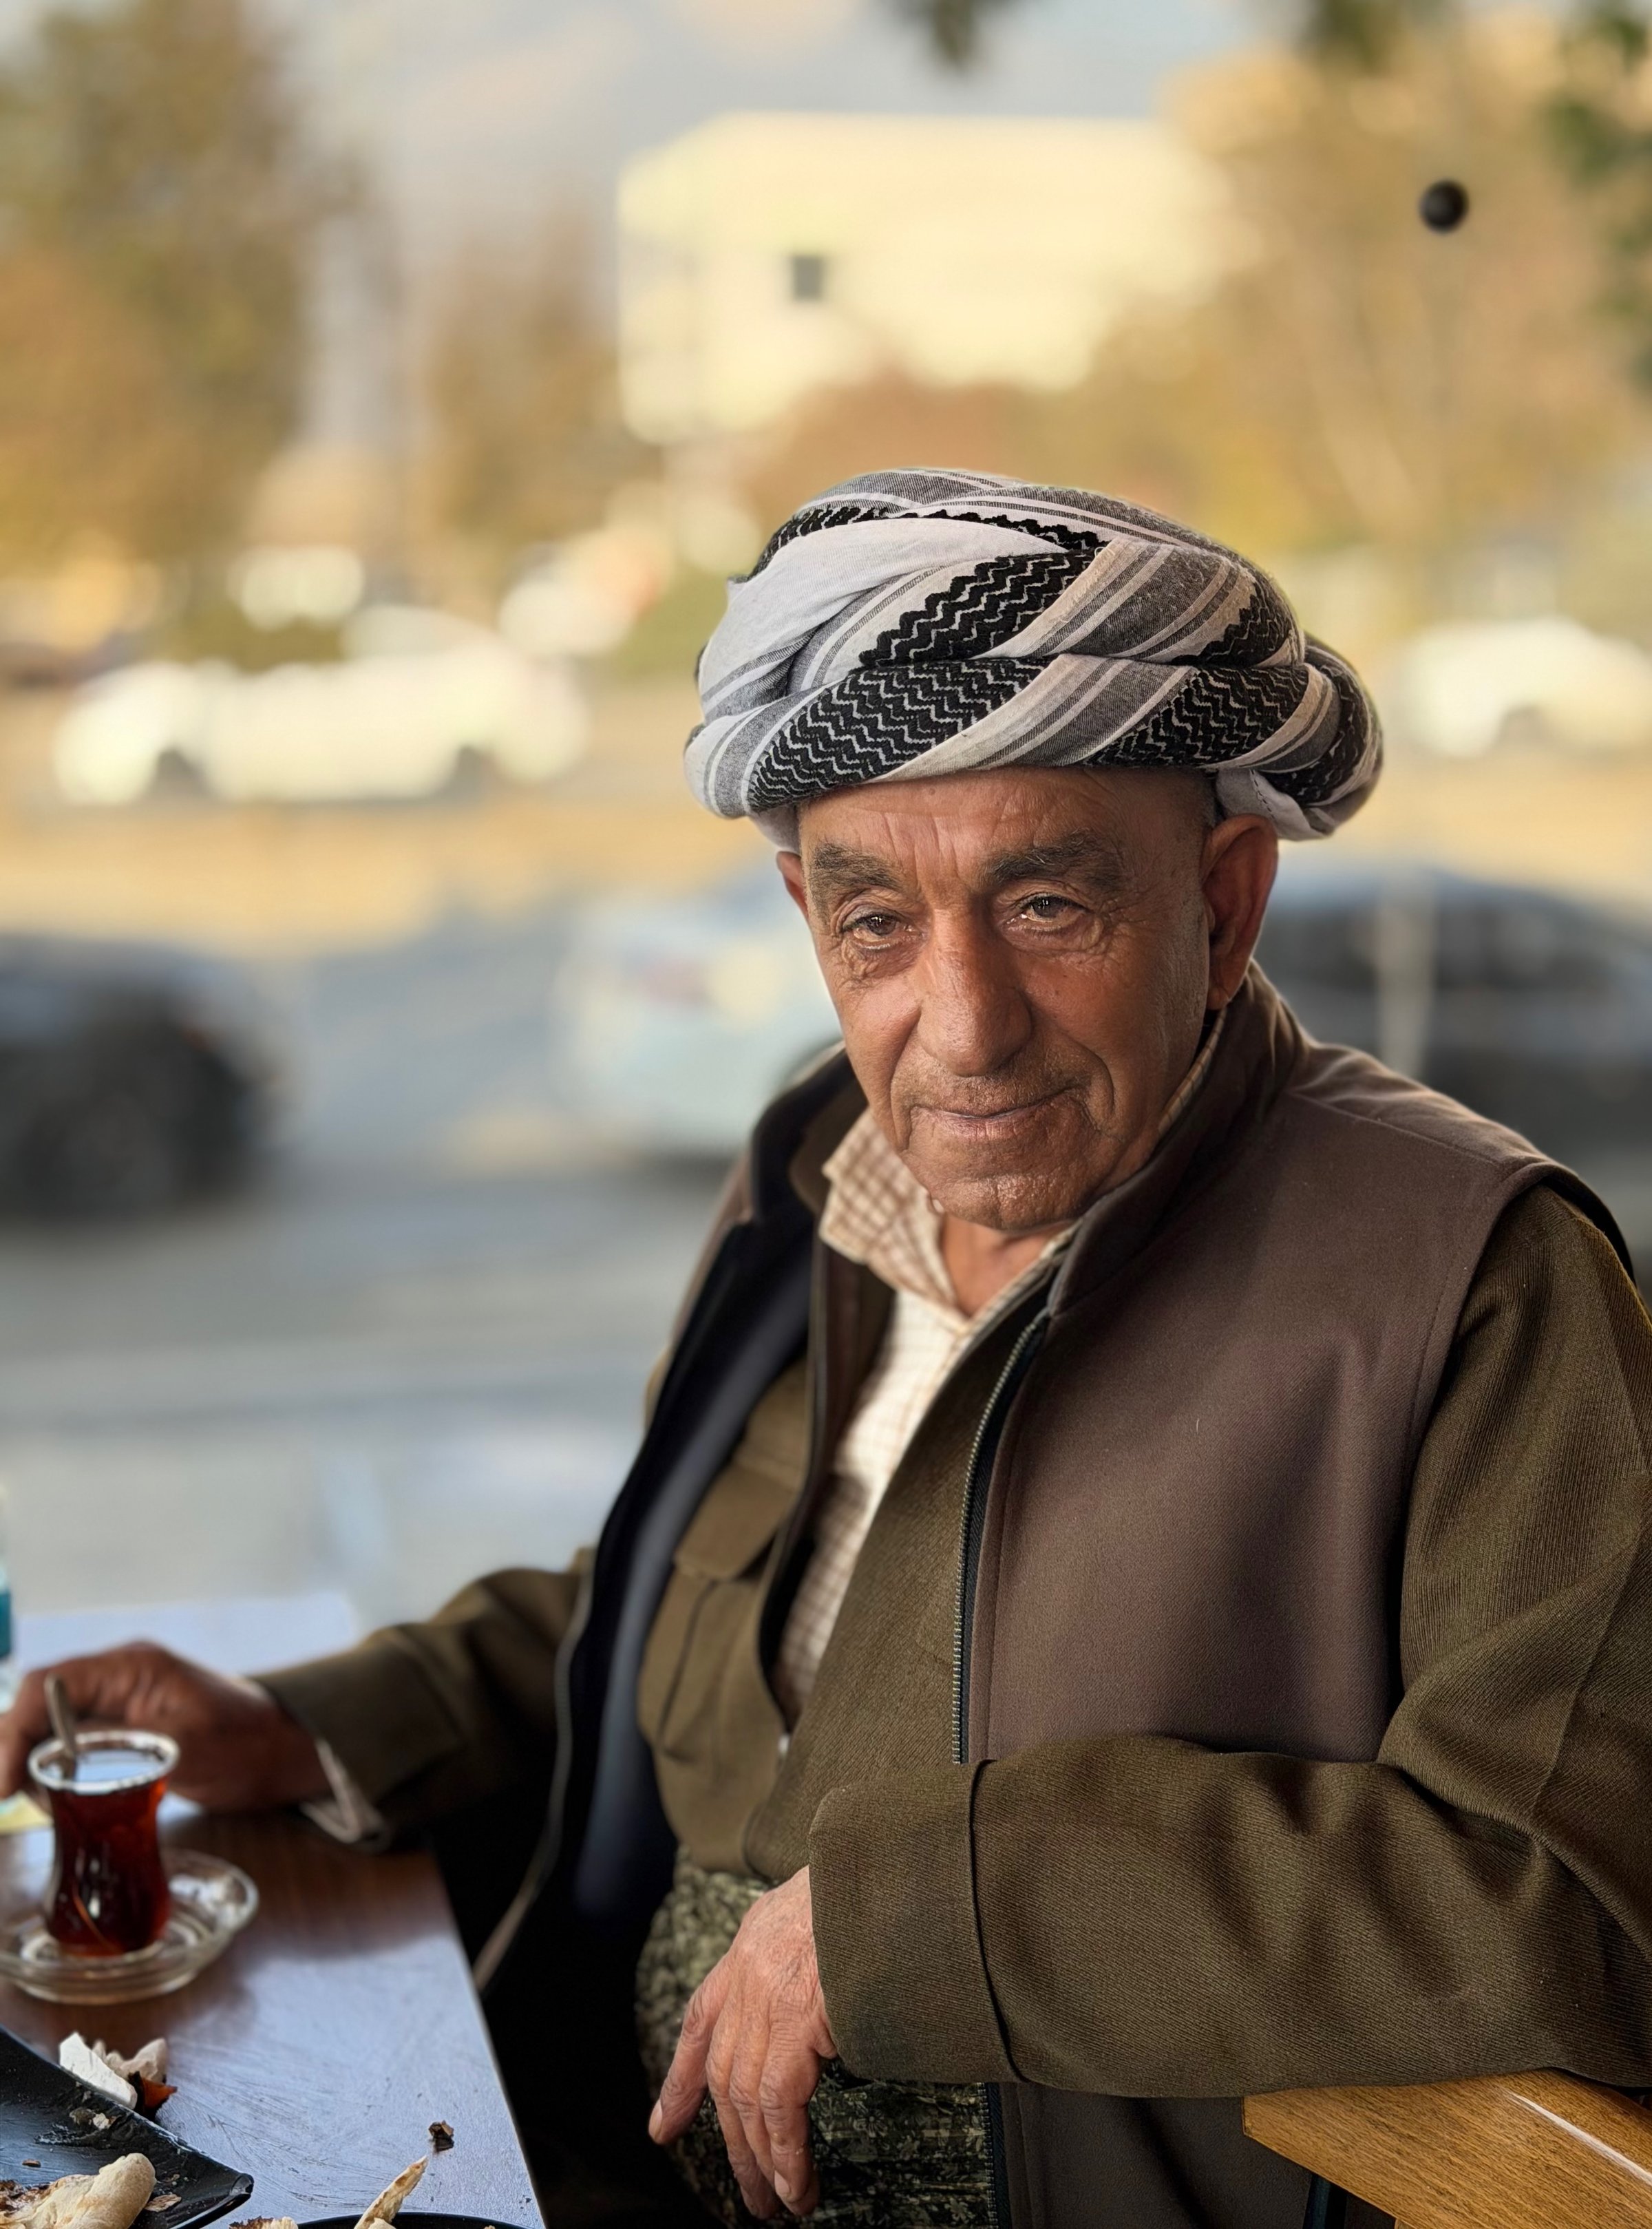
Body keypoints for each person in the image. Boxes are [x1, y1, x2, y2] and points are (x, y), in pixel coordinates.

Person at [6, 471, 1652, 2229]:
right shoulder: (819, 1175)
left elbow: (1570, 1893)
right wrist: (310, 1727)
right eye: (878, 923)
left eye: (1048, 907)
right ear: (809, 917)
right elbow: (693, 1603)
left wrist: (908, 1914)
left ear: (1225, 900)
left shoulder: (1473, 1277)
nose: (960, 1024)